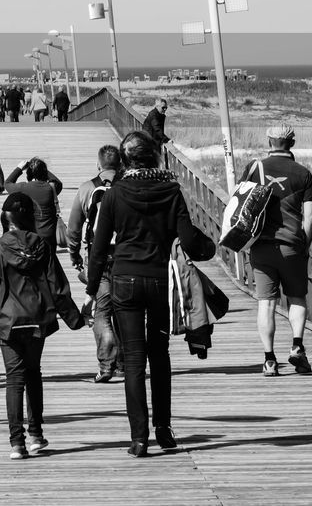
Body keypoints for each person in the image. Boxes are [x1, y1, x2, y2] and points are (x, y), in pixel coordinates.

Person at [83, 130, 215, 457]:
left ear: (125, 160)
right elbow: (186, 235)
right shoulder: (170, 191)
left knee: (133, 359)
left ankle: (139, 438)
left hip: (124, 282)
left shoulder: (115, 194)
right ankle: (164, 430)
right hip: (160, 281)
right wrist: (208, 248)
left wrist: (90, 292)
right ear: (154, 156)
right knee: (160, 354)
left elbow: (99, 249)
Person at [0, 193, 86, 460]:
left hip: (7, 321)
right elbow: (57, 286)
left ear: (5, 218)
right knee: (33, 373)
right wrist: (75, 318)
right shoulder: (43, 247)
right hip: (36, 318)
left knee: (14, 379)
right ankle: (35, 434)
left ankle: (17, 443)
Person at [242, 123, 312, 376]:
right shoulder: (303, 173)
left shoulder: (254, 169)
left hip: (261, 246)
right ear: (292, 143)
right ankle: (297, 346)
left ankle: (269, 360)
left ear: (269, 141)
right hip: (292, 246)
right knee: (296, 297)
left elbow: (239, 205)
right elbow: (311, 217)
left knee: (266, 303)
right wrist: (304, 245)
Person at [67, 144, 123, 382]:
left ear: (98, 165)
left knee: (101, 311)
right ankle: (123, 362)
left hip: (97, 258)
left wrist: (74, 254)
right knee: (123, 309)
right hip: (125, 256)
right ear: (120, 165)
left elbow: (73, 227)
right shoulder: (128, 186)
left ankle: (107, 362)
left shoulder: (87, 188)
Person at [4, 158, 64, 248]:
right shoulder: (51, 188)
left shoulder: (23, 188)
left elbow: (7, 184)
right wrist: (40, 168)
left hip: (30, 236)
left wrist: (19, 168)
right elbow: (57, 182)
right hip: (49, 235)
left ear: (29, 174)